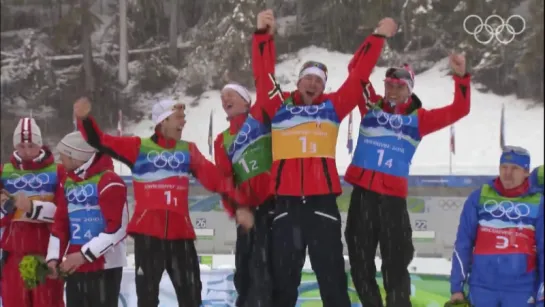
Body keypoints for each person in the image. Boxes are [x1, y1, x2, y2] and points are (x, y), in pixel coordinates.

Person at [251, 9, 396, 307]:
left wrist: (377, 37)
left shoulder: (332, 108)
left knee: (332, 281)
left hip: (322, 206)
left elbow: (358, 78)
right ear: (299, 81)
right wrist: (263, 36)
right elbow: (263, 75)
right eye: (309, 78)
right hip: (287, 206)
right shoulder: (279, 107)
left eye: (319, 80)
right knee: (283, 284)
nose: (313, 84)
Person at [73, 97, 253, 307]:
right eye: (178, 118)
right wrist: (84, 119)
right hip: (148, 238)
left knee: (191, 297)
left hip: (180, 238)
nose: (183, 123)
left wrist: (240, 205)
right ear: (163, 121)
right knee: (147, 300)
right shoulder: (138, 147)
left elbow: (216, 180)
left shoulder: (188, 150)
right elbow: (101, 140)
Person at [343, 49, 471, 306]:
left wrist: (461, 76)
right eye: (389, 84)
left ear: (409, 90)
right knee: (359, 262)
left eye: (399, 86)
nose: (392, 90)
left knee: (396, 263)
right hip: (363, 197)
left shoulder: (419, 119)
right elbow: (355, 68)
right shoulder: (370, 105)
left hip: (392, 200)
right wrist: (378, 37)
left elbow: (460, 109)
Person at [449, 146, 544, 307]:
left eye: (515, 168)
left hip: (521, 290)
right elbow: (463, 244)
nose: (507, 173)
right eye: (504, 167)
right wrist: (457, 287)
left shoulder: (538, 202)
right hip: (481, 289)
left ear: (526, 172)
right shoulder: (479, 197)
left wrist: (542, 296)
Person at [44, 131, 128, 307]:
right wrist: (53, 258)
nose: (60, 160)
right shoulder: (69, 183)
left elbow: (118, 228)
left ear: (77, 157)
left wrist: (84, 255)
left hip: (105, 267)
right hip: (75, 266)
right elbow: (60, 225)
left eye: (64, 156)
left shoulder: (110, 181)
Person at [213, 82, 276, 306]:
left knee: (266, 271)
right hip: (246, 212)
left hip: (272, 207)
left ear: (246, 101)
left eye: (230, 95)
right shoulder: (221, 140)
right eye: (222, 97)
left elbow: (265, 81)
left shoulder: (259, 119)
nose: (225, 99)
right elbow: (225, 179)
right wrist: (238, 209)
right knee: (244, 274)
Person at [0, 117, 65, 307]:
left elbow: (63, 212)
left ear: (40, 144)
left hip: (46, 253)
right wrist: (6, 207)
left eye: (31, 145)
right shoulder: (4, 171)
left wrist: (33, 208)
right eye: (21, 145)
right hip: (13, 254)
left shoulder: (58, 171)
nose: (27, 151)